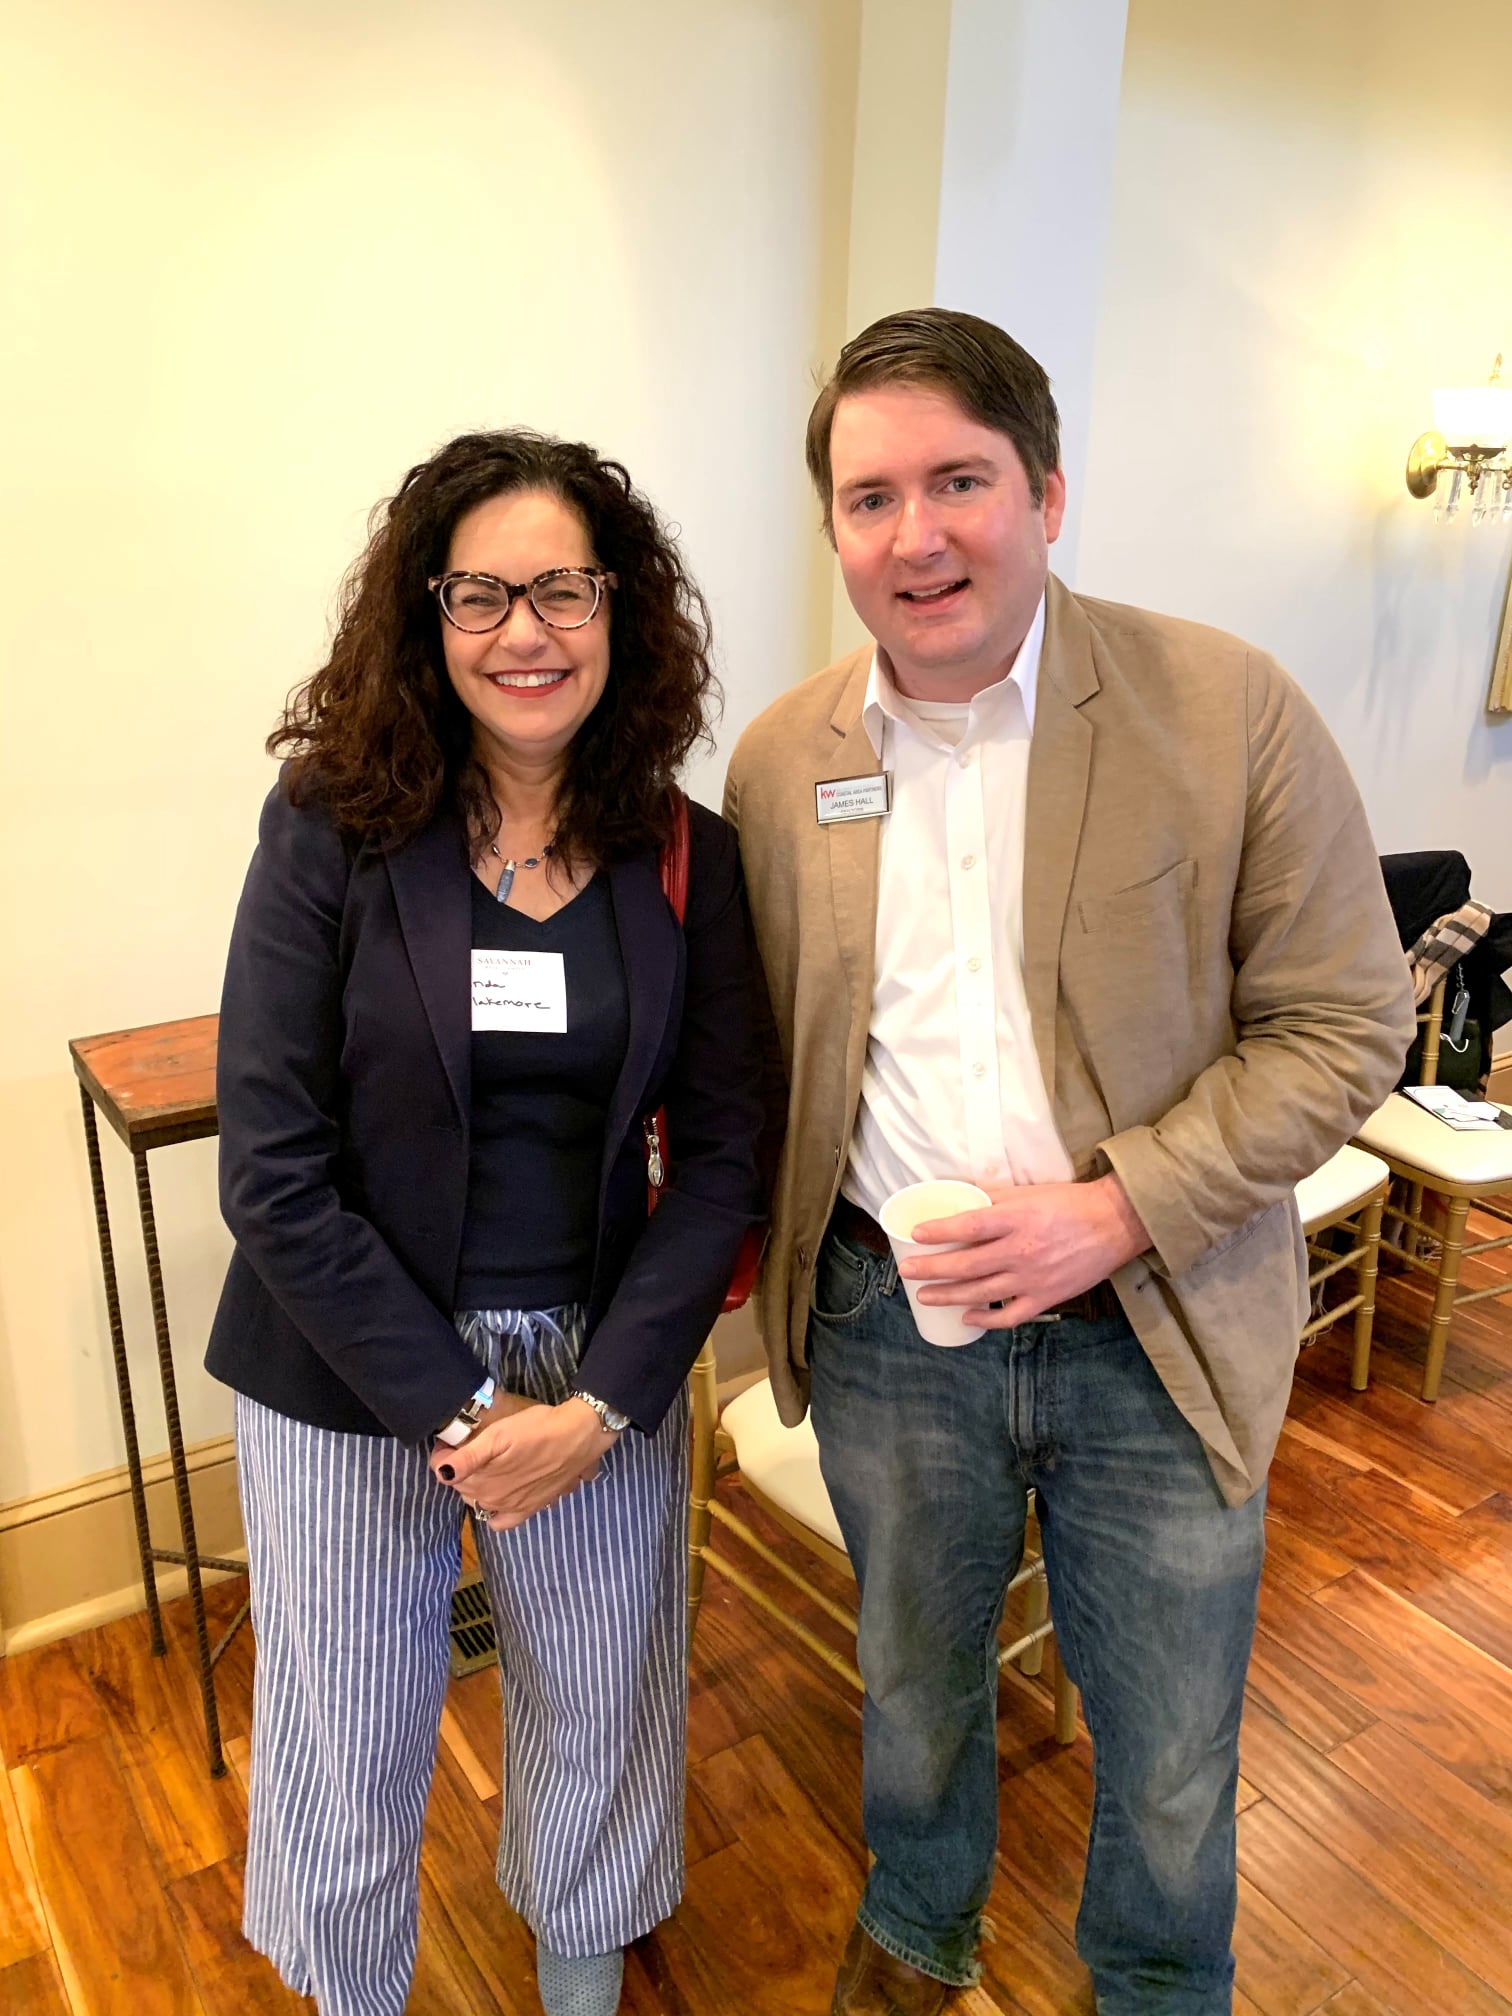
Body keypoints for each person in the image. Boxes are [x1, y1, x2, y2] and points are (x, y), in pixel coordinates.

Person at [724, 309, 1415, 2016]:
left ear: (1045, 492)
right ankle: (918, 1925)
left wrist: (1114, 1213)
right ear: (834, 530)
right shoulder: (783, 763)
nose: (917, 535)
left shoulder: (1225, 708)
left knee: (1170, 1736)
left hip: (1156, 1324)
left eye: (959, 481)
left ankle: (1161, 1984)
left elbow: (1346, 1027)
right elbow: (760, 1053)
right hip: (892, 1330)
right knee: (913, 1690)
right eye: (871, 497)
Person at [207, 429, 763, 2016]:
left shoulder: (687, 855)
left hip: (599, 1371)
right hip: (347, 1361)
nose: (527, 631)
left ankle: (579, 1989)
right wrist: (461, 1414)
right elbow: (273, 1167)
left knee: (600, 1716)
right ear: (428, 618)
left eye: (564, 590)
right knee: (349, 1737)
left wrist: (597, 1408)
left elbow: (723, 1158)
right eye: (481, 595)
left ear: (620, 610)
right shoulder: (332, 826)